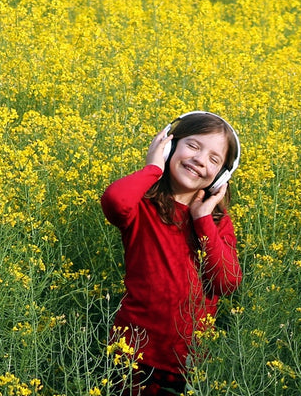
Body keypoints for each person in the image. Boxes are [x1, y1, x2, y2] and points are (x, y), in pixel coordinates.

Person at [100, 111, 243, 396]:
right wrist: (153, 168)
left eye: (214, 159)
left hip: (187, 362)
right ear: (169, 147)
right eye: (193, 145)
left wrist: (202, 218)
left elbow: (226, 282)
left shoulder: (215, 222)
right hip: (132, 352)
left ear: (222, 176)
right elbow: (115, 201)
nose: (200, 160)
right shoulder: (143, 205)